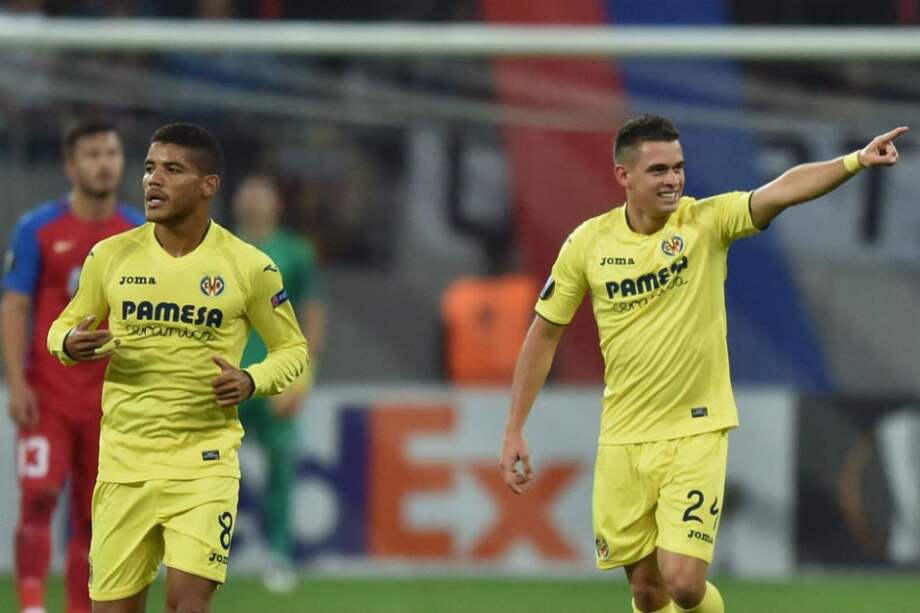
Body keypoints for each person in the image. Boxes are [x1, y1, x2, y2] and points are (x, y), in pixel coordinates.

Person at [499, 114, 906, 613]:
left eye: (678, 167)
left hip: (696, 429)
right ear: (623, 176)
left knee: (685, 583)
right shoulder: (589, 244)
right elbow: (545, 332)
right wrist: (515, 427)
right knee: (648, 595)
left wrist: (854, 162)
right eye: (659, 171)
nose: (673, 180)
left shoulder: (706, 223)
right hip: (624, 436)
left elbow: (780, 191)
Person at [46, 123, 309, 612]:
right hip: (124, 465)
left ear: (208, 185)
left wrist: (252, 380)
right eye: (148, 169)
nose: (153, 181)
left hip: (203, 464)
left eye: (172, 169)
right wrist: (70, 342)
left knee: (187, 601)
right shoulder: (111, 257)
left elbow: (293, 350)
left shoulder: (249, 266)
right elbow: (60, 327)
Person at [2, 120, 143, 613]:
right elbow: (14, 305)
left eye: (112, 153)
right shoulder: (37, 228)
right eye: (92, 154)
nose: (104, 163)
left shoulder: (137, 234)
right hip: (49, 395)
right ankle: (32, 605)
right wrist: (16, 382)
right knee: (38, 497)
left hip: (111, 403)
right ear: (70, 165)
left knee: (95, 517)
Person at [232, 175, 325, 592]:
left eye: (262, 193)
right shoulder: (215, 246)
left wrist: (303, 376)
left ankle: (280, 556)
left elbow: (312, 314)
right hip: (225, 377)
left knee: (281, 469)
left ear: (277, 203)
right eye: (248, 192)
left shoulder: (296, 252)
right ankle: (204, 555)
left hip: (277, 379)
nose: (253, 200)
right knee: (206, 471)